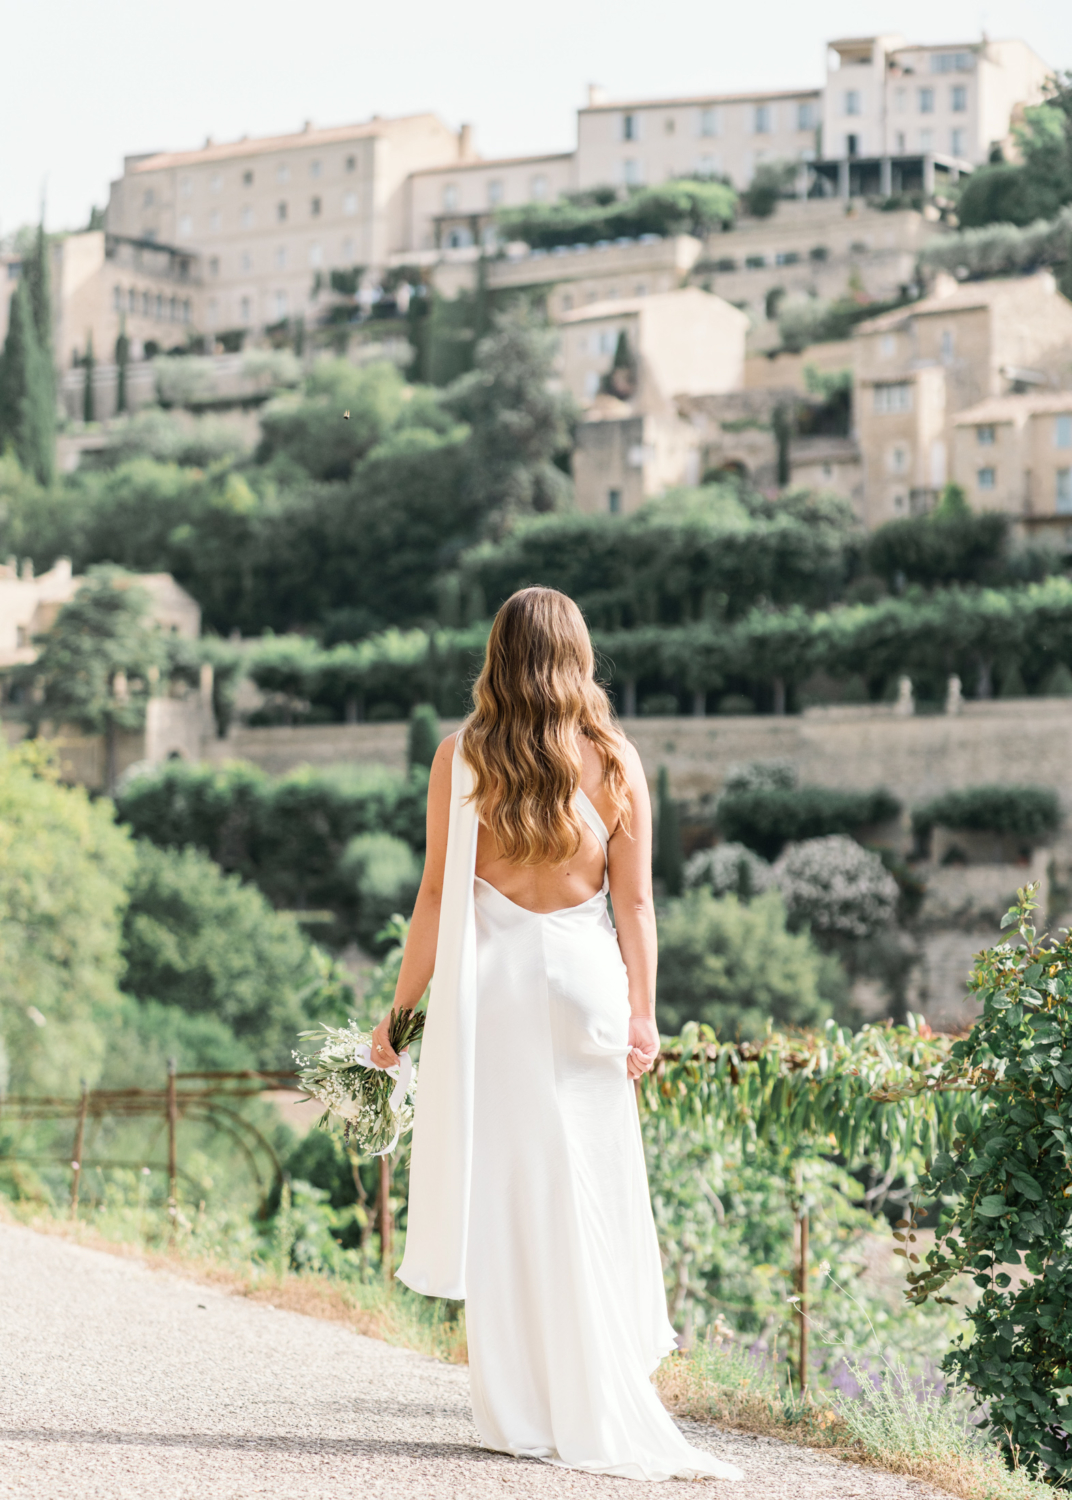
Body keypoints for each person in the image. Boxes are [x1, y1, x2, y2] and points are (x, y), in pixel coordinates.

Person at [370, 587, 742, 1483]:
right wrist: (645, 1013)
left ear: (497, 655)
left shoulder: (461, 759)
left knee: (508, 1194)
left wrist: (399, 1016)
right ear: (578, 658)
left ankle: (524, 1410)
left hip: (491, 997)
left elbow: (433, 899)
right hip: (587, 989)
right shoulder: (615, 760)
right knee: (593, 1186)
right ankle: (599, 1381)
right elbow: (638, 903)